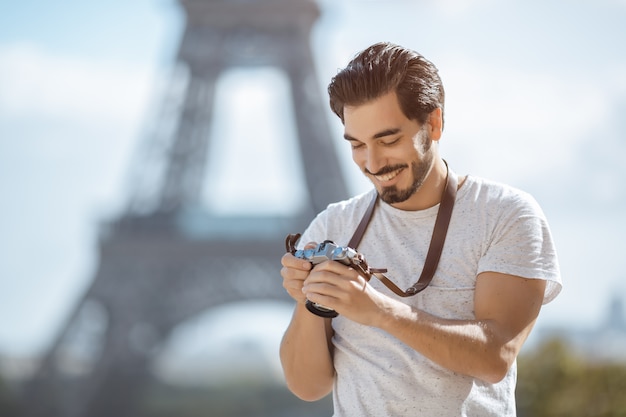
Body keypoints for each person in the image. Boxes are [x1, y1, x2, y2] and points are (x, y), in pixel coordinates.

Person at [279, 41, 562, 417]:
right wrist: (309, 301)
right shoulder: (333, 225)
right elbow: (307, 386)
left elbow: (495, 357)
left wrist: (378, 310)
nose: (373, 162)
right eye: (357, 145)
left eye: (388, 139)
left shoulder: (505, 215)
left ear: (434, 123)